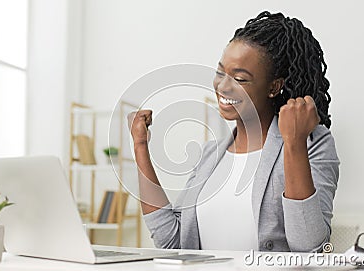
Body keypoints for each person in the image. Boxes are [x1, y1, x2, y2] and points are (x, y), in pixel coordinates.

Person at [127, 11, 339, 252]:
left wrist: (293, 143)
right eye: (220, 73)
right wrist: (140, 147)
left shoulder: (313, 143)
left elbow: (310, 249)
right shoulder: (210, 156)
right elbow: (173, 243)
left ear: (274, 86)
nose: (222, 87)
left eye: (239, 78)